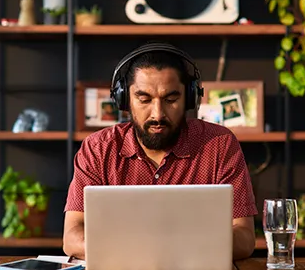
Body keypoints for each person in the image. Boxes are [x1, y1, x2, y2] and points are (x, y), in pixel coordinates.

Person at [63, 42, 258, 261]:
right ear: (124, 99)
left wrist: (156, 249)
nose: (157, 114)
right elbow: (72, 237)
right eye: (144, 99)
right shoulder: (98, 149)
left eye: (171, 99)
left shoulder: (219, 145)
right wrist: (157, 250)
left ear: (190, 97)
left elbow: (244, 238)